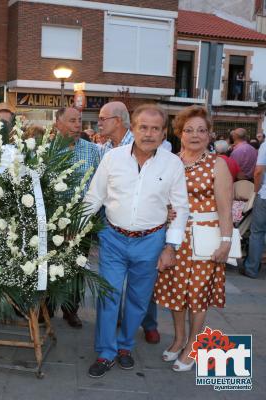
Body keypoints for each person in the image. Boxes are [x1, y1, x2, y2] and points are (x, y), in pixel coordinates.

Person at [84, 104, 189, 378]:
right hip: (113, 239)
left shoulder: (173, 164)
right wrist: (75, 228)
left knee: (138, 300)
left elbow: (181, 206)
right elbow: (94, 197)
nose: (149, 133)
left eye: (156, 129)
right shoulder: (113, 159)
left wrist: (171, 246)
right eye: (143, 127)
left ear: (164, 133)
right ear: (133, 129)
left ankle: (125, 347)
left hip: (151, 241)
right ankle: (106, 352)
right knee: (109, 296)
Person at [155, 105, 233, 371]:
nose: (195, 135)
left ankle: (193, 345)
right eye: (189, 130)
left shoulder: (217, 164)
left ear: (210, 134)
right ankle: (178, 340)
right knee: (176, 293)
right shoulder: (170, 161)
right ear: (180, 133)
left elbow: (225, 207)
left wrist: (226, 241)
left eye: (202, 130)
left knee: (198, 294)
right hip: (174, 239)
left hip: (205, 238)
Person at [99, 101, 160, 343]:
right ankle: (112, 330)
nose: (99, 122)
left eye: (103, 118)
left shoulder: (149, 147)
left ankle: (148, 323)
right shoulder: (104, 149)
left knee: (142, 285)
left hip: (145, 230)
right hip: (111, 224)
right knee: (111, 286)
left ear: (119, 121)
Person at [54, 107, 100, 328]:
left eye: (79, 121)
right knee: (49, 264)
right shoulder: (46, 149)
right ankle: (46, 305)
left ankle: (71, 309)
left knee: (76, 267)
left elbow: (100, 185)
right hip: (52, 221)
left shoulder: (93, 151)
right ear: (58, 124)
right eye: (71, 121)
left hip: (82, 221)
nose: (77, 125)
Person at [241, 138, 266, 279]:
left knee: (257, 232)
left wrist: (256, 191)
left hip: (264, 195)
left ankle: (251, 268)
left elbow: (258, 171)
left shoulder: (265, 146)